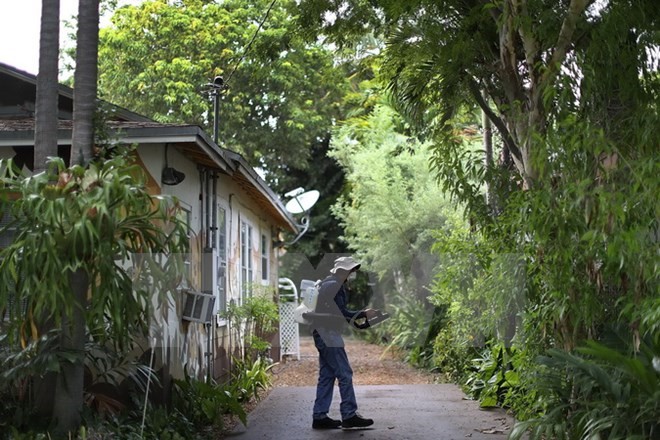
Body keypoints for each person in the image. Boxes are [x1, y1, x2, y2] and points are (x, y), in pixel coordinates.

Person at [310, 256, 378, 430]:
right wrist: (363, 313)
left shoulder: (327, 283)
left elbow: (339, 313)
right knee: (344, 374)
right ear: (343, 270)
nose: (353, 272)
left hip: (321, 332)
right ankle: (349, 415)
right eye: (351, 269)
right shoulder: (334, 285)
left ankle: (320, 416)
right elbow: (341, 313)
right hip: (328, 334)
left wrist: (361, 317)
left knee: (327, 375)